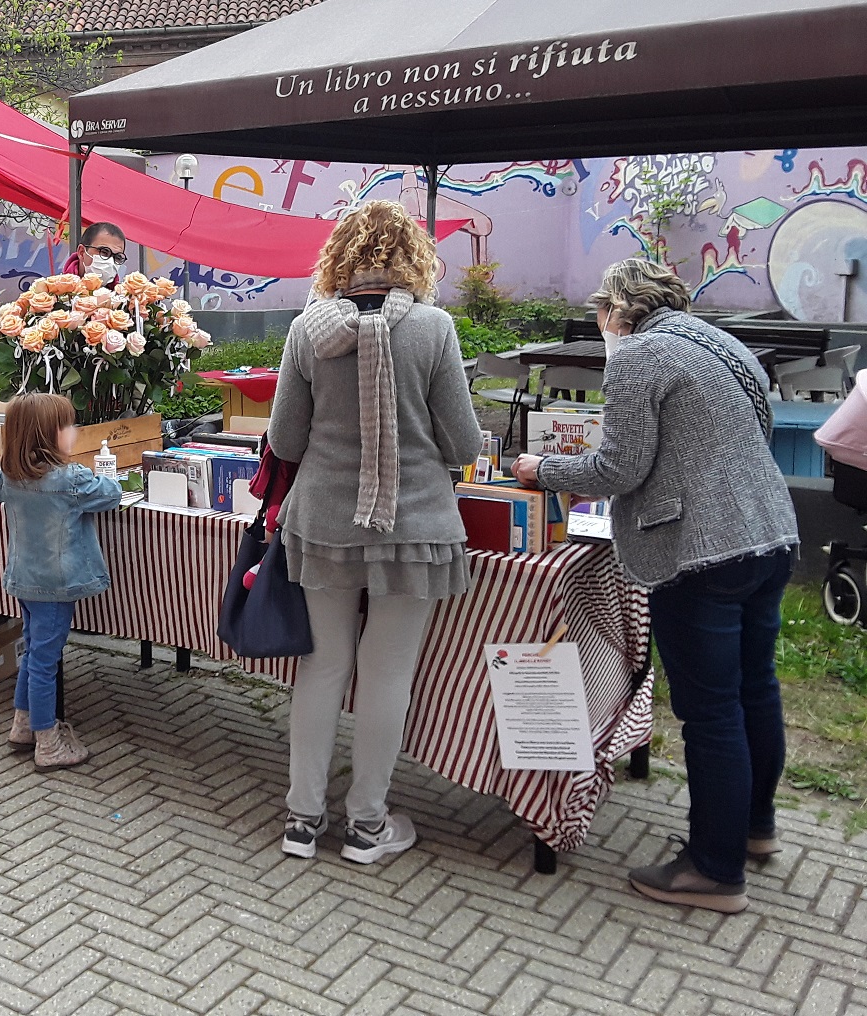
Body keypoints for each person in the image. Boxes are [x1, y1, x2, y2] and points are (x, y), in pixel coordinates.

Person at [514, 258, 797, 914]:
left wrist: (542, 466)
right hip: (772, 535)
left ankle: (714, 870)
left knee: (712, 711)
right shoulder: (724, 343)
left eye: (599, 314)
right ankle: (754, 828)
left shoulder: (640, 355)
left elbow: (619, 466)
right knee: (756, 689)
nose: (600, 326)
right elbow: (748, 438)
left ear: (617, 310)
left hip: (702, 554)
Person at [266, 199, 483, 865]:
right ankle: (366, 826)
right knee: (387, 674)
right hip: (414, 524)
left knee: (322, 667)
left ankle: (302, 821)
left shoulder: (309, 328)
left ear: (341, 257)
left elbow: (284, 439)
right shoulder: (435, 328)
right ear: (413, 257)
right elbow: (464, 440)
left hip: (323, 519)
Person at [0, 393, 122, 769]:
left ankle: (22, 725)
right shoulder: (72, 480)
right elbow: (113, 494)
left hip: (24, 579)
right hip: (56, 585)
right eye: (68, 426)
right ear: (49, 435)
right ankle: (48, 742)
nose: (74, 432)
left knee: (33, 650)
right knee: (44, 660)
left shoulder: (10, 476)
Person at [61, 221, 128, 284]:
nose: (110, 262)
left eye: (117, 257)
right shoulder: (56, 292)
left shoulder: (123, 294)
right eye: (104, 252)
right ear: (82, 252)